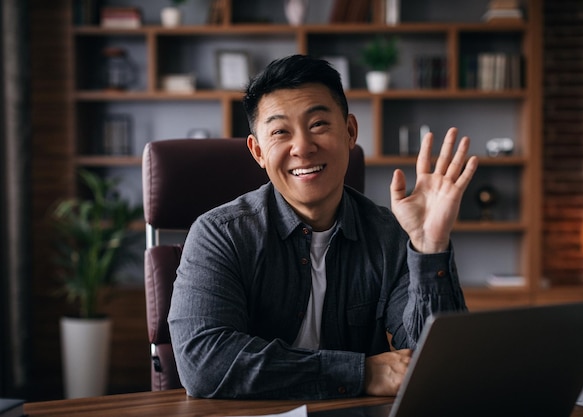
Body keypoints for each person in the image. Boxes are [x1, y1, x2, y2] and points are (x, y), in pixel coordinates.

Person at [168, 54, 479, 400]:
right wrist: (362, 372)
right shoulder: (219, 234)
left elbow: (439, 366)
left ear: (349, 132)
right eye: (280, 132)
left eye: (318, 124)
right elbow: (204, 363)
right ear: (258, 152)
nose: (302, 147)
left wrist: (428, 246)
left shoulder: (389, 234)